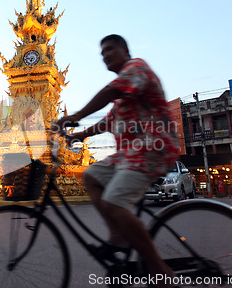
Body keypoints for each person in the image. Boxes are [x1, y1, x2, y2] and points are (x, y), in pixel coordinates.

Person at [54, 34, 179, 286]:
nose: (105, 55)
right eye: (102, 52)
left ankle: (160, 271)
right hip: (129, 155)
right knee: (90, 176)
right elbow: (106, 122)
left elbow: (111, 91)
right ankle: (117, 236)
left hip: (153, 147)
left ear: (125, 50)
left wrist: (76, 115)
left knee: (115, 202)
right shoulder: (124, 94)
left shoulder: (136, 69)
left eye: (110, 49)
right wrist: (78, 135)